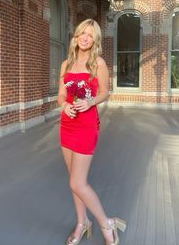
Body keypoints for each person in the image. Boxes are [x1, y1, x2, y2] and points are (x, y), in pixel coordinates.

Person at [57, 19, 126, 245]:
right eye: (81, 34)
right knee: (72, 180)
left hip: (87, 126)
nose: (85, 38)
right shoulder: (66, 64)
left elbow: (105, 92)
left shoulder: (98, 64)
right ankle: (82, 222)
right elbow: (61, 96)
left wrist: (90, 102)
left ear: (95, 39)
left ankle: (106, 223)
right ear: (75, 36)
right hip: (67, 125)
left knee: (77, 182)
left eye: (90, 35)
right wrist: (65, 105)